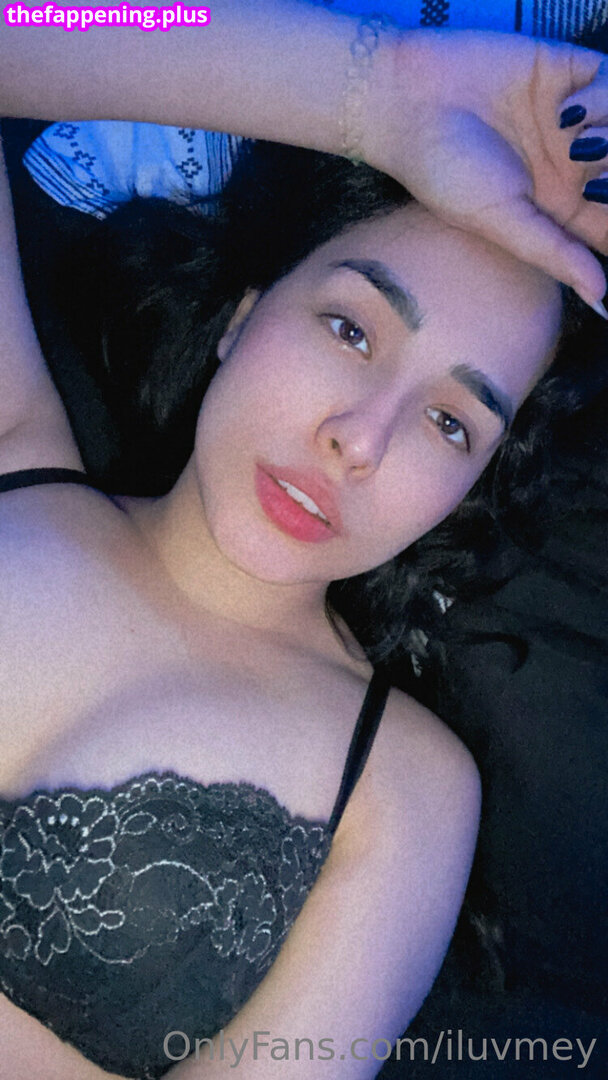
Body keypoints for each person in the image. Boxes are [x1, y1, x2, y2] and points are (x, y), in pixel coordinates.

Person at [0, 6, 607, 1079]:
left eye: (449, 423)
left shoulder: (404, 793)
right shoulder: (15, 444)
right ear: (242, 317)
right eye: (350, 327)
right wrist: (378, 93)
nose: (359, 441)